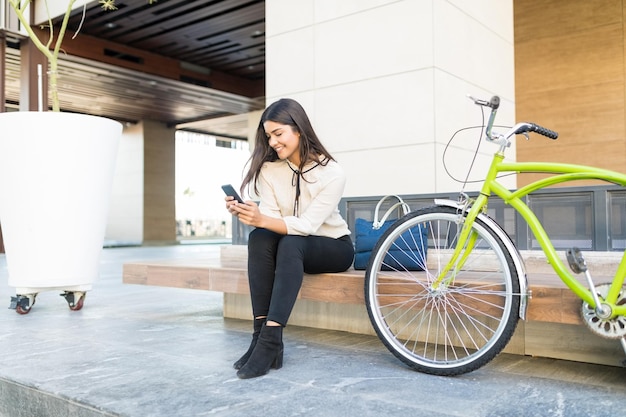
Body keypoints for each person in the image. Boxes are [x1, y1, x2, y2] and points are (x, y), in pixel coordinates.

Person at [224, 98, 354, 379]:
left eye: (278, 134)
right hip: (292, 246)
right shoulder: (270, 170)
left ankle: (270, 340)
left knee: (292, 241)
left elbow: (306, 226)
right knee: (259, 238)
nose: (272, 142)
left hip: (333, 246)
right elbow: (270, 222)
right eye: (268, 136)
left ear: (298, 129)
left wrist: (263, 219)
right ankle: (262, 336)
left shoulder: (331, 172)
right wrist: (252, 215)